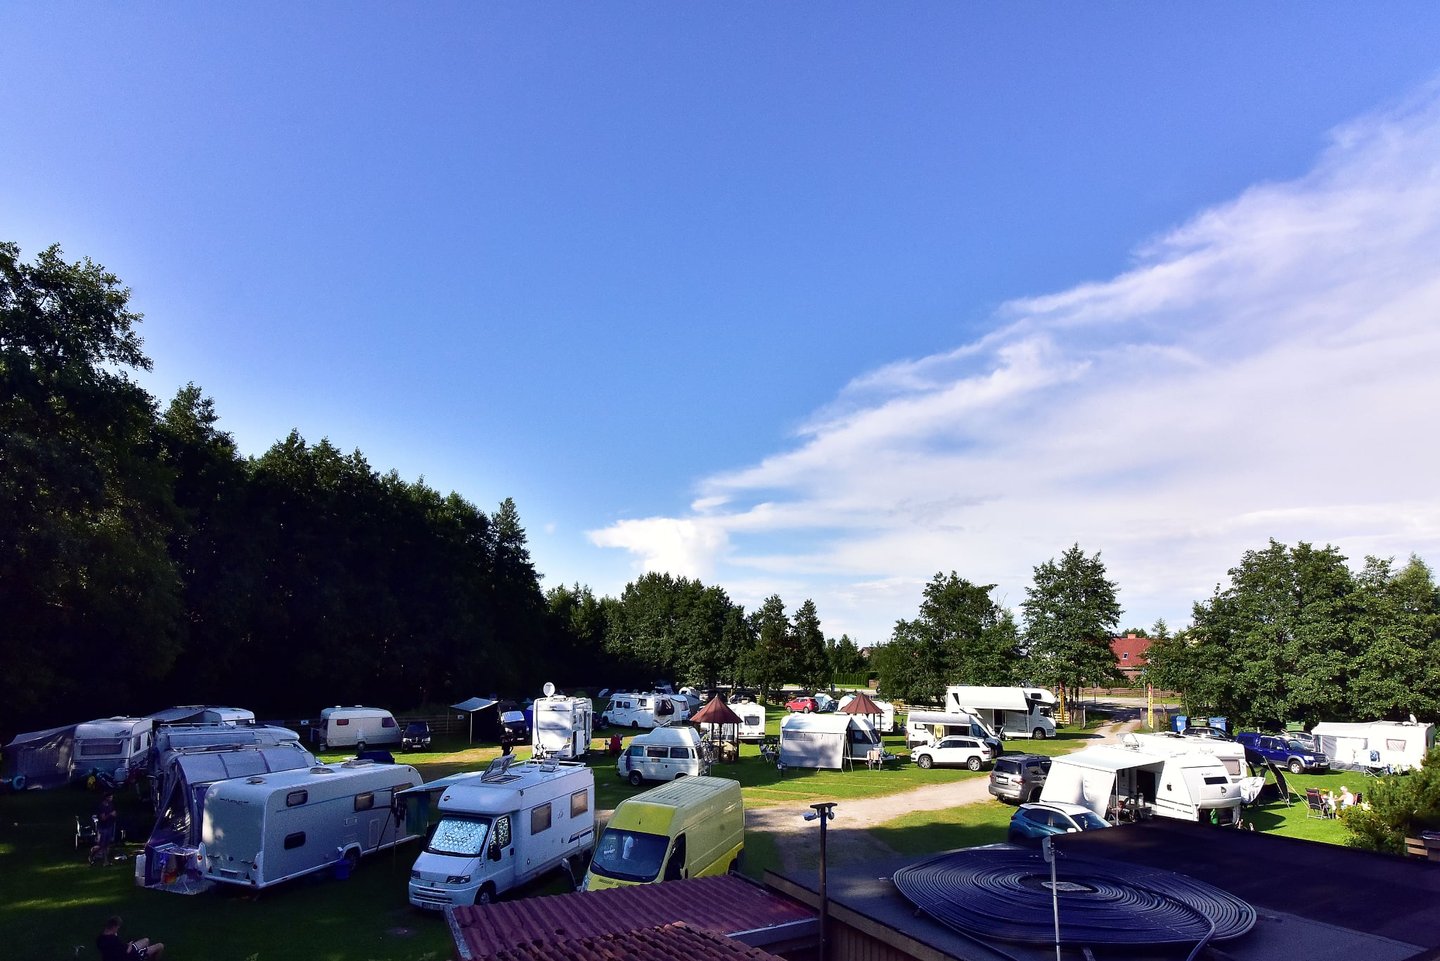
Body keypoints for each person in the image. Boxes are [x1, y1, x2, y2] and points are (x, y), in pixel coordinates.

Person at [96, 915, 164, 960]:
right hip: (131, 957)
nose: (118, 929)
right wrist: (130, 945)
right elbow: (127, 951)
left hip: (114, 957)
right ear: (114, 927)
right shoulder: (114, 941)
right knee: (160, 946)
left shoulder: (100, 938)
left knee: (146, 940)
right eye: (117, 927)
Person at [90, 791, 117, 865]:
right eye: (110, 797)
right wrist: (110, 814)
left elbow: (114, 813)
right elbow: (103, 818)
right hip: (103, 828)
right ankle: (92, 855)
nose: (111, 798)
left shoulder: (111, 805)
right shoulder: (102, 807)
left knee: (107, 845)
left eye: (112, 797)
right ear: (106, 798)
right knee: (101, 845)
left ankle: (105, 861)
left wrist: (114, 815)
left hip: (109, 827)